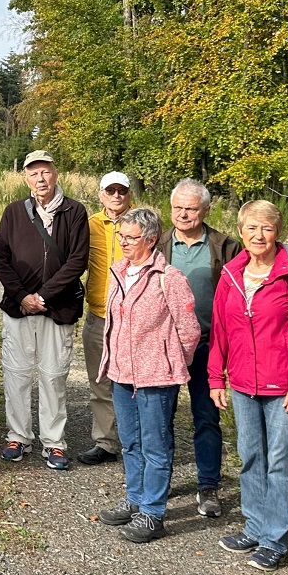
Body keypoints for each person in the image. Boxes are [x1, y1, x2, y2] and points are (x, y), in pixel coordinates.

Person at [208, 199, 288, 571]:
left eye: (267, 228)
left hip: (285, 387)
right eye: (252, 228)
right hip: (243, 383)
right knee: (250, 456)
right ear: (241, 232)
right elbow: (221, 329)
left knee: (280, 462)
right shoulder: (231, 273)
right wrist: (216, 376)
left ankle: (275, 538)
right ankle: (254, 527)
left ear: (278, 232)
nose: (259, 235)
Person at [95, 208, 200, 542]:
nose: (123, 243)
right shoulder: (118, 272)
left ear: (152, 239)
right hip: (122, 372)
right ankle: (136, 500)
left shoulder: (170, 278)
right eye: (121, 236)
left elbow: (189, 331)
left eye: (131, 237)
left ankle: (153, 514)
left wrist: (168, 361)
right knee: (130, 442)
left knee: (156, 445)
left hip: (156, 377)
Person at [0, 150, 89, 471]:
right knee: (17, 374)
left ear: (56, 173)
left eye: (45, 172)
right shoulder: (12, 212)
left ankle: (54, 442)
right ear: (26, 178)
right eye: (33, 173)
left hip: (57, 308)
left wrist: (43, 296)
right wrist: (22, 296)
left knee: (53, 375)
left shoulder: (75, 212)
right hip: (18, 309)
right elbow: (2, 260)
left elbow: (77, 261)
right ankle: (18, 436)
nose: (40, 179)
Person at [156, 179, 241, 518]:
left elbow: (237, 298)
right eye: (177, 207)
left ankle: (208, 486)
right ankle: (159, 484)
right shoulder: (158, 243)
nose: (183, 214)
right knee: (160, 417)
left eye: (190, 208)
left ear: (205, 210)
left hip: (207, 345)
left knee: (206, 417)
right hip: (165, 345)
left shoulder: (225, 247)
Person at [78, 171, 131, 466]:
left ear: (129, 195)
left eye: (121, 191)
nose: (116, 196)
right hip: (99, 314)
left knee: (134, 384)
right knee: (100, 382)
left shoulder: (142, 222)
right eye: (110, 191)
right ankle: (106, 442)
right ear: (100, 195)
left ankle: (136, 442)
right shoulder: (91, 225)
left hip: (133, 318)